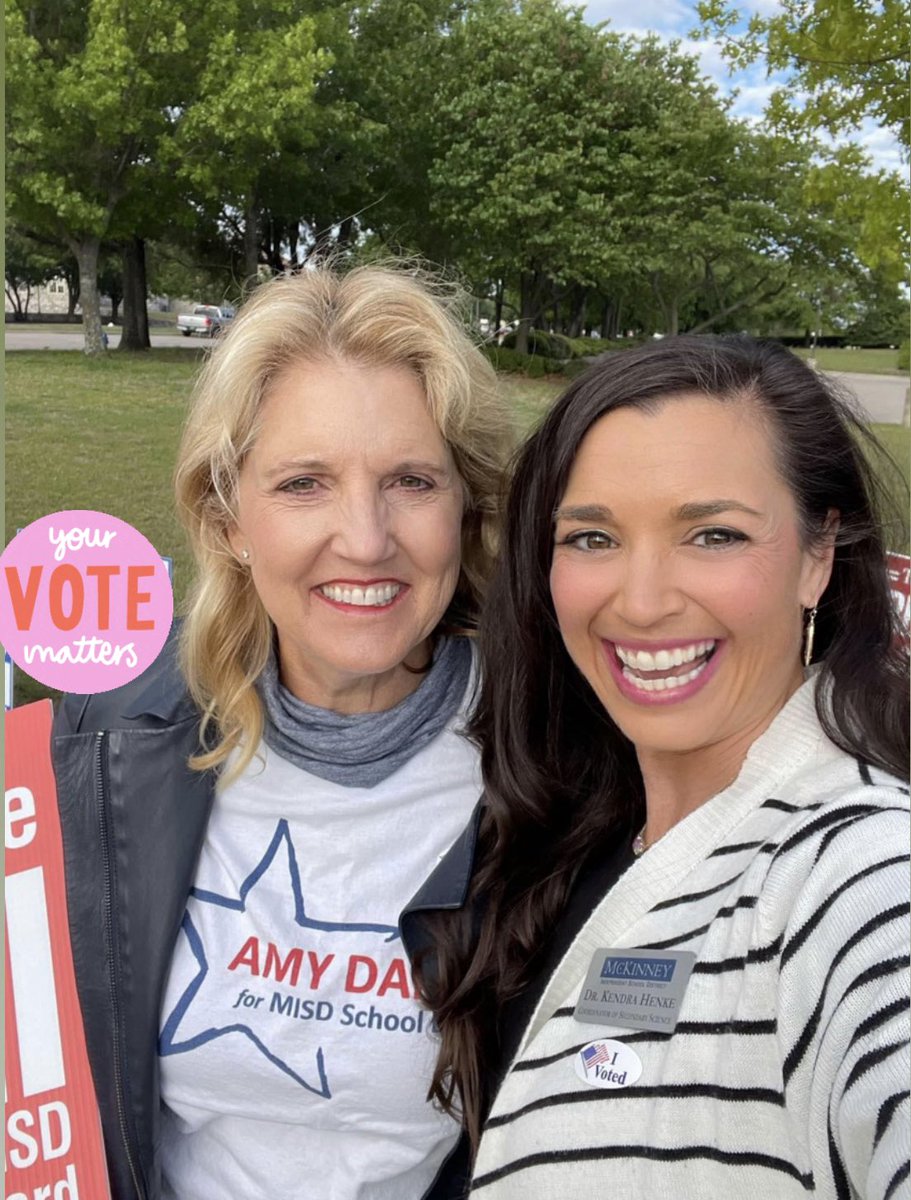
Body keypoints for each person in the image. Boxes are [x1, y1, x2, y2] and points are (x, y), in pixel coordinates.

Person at [405, 335, 910, 1199]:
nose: (639, 602)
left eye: (712, 534)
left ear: (818, 554)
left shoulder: (862, 880)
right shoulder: (565, 838)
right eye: (593, 537)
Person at [51, 263, 513, 1200]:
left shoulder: (554, 760)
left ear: (466, 507)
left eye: (411, 481)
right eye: (303, 483)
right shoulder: (111, 735)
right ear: (229, 521)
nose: (366, 537)